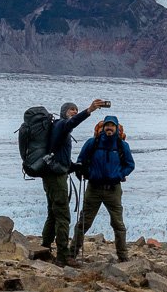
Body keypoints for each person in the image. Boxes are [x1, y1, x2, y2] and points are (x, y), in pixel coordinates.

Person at [39, 98, 107, 262]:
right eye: (71, 110)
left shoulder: (58, 129)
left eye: (76, 110)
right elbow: (73, 123)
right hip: (56, 177)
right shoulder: (62, 125)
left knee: (53, 214)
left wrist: (75, 166)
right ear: (64, 112)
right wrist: (89, 110)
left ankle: (43, 250)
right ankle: (63, 256)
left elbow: (59, 157)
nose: (74, 112)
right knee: (63, 215)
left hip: (51, 174)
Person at [69, 115, 135, 263]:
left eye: (112, 126)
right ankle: (71, 255)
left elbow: (130, 165)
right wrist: (84, 172)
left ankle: (123, 257)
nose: (109, 128)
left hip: (113, 188)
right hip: (94, 188)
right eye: (107, 125)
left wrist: (119, 174)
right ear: (103, 127)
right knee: (84, 223)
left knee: (118, 224)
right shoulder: (92, 143)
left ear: (117, 128)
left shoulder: (122, 145)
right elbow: (81, 161)